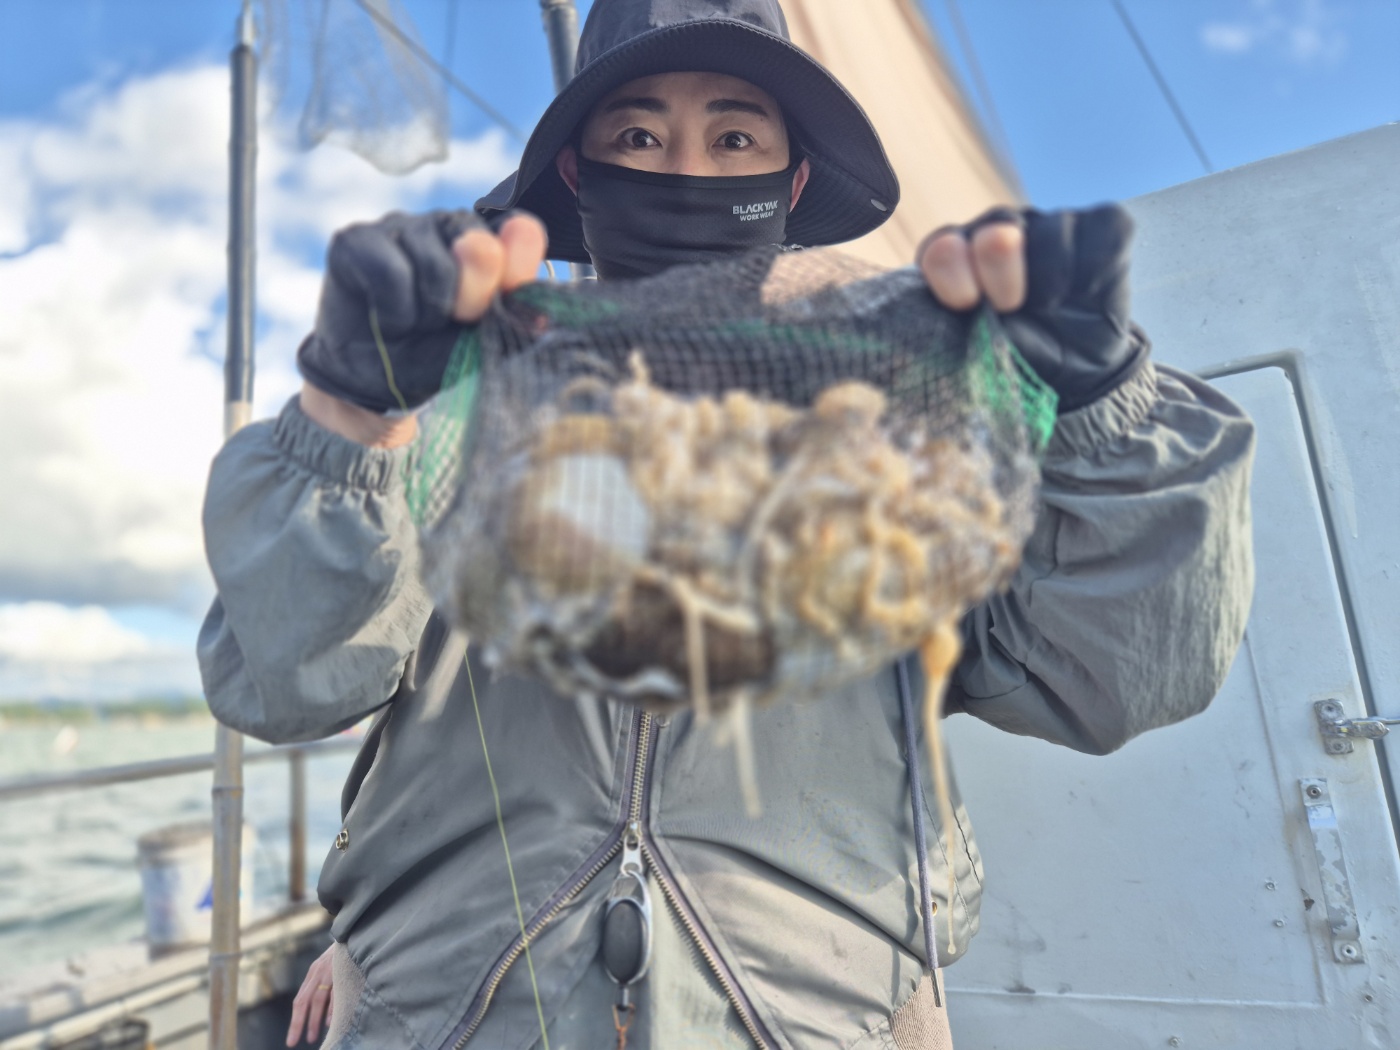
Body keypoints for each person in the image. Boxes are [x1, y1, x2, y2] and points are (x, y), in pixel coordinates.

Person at [198, 1, 1255, 1047]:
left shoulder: (908, 433)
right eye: (637, 136)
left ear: (789, 183)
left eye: (735, 137)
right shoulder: (448, 409)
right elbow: (289, 687)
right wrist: (350, 418)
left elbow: (1111, 676)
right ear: (578, 175)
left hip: (825, 1018)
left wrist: (1103, 413)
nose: (686, 168)